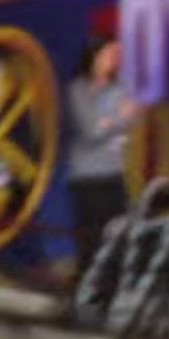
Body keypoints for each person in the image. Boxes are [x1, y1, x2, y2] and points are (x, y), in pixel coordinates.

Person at [67, 36, 140, 264]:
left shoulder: (122, 86)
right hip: (89, 176)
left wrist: (108, 121)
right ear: (95, 57)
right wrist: (118, 118)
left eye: (117, 54)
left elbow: (133, 118)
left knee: (119, 235)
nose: (115, 59)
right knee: (93, 239)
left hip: (115, 171)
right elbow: (91, 130)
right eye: (110, 54)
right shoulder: (78, 90)